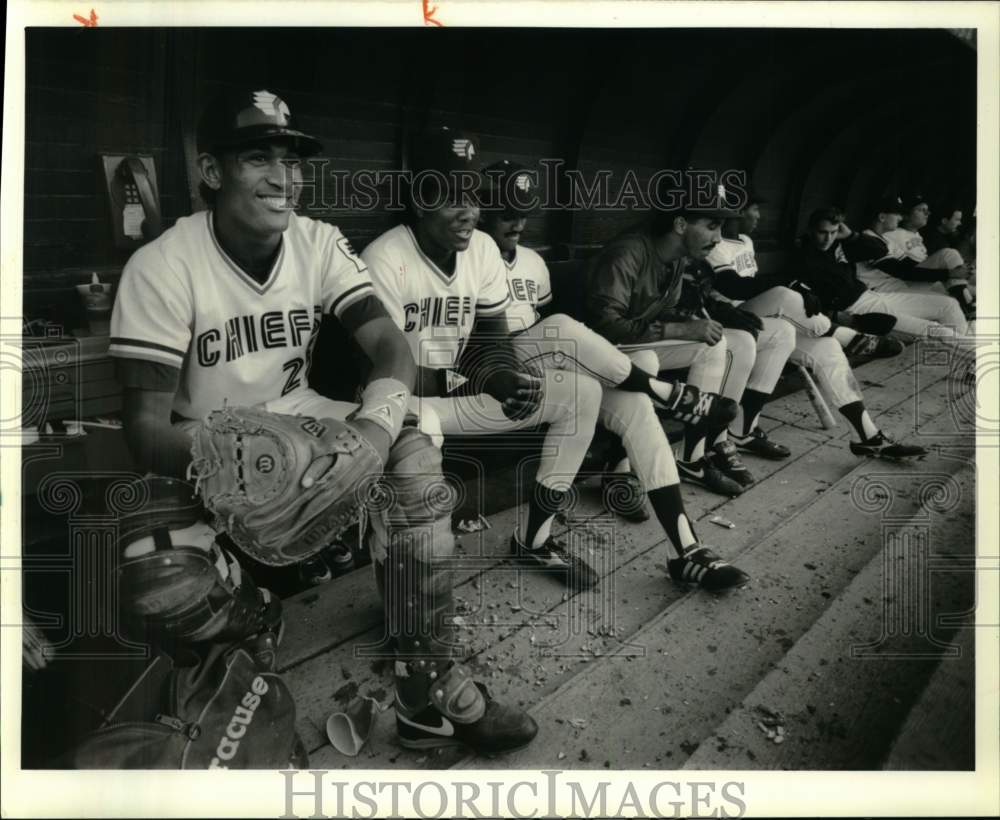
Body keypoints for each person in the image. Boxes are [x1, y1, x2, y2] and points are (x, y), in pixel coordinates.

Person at [110, 89, 537, 756]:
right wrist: (262, 457)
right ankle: (256, 616)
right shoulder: (161, 267)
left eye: (294, 160)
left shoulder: (316, 241)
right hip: (208, 445)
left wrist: (371, 432)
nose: (285, 179)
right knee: (156, 583)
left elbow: (393, 347)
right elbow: (144, 431)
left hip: (302, 416)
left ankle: (425, 688)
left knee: (413, 449)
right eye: (259, 158)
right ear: (213, 171)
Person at [476, 159, 750, 591]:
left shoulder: (530, 261)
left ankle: (688, 550)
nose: (517, 222)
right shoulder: (469, 256)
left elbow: (550, 326)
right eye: (504, 212)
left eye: (524, 211)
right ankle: (673, 397)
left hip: (554, 365)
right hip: (499, 368)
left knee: (635, 406)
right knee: (565, 327)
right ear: (479, 211)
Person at [585, 183, 795, 494]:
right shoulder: (628, 252)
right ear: (681, 224)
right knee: (652, 358)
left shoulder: (678, 257)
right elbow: (605, 324)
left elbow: (666, 312)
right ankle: (616, 468)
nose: (718, 237)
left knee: (729, 341)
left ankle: (693, 457)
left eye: (720, 227)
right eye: (711, 226)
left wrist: (697, 321)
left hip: (633, 341)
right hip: (596, 349)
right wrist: (680, 330)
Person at [705, 199, 926, 459]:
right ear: (737, 212)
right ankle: (849, 335)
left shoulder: (745, 240)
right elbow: (733, 288)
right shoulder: (714, 244)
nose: (759, 216)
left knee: (827, 348)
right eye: (754, 209)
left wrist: (793, 285)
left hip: (763, 323)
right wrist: (791, 282)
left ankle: (867, 436)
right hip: (728, 320)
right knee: (786, 295)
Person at [855, 196, 973, 329]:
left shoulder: (887, 241)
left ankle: (964, 318)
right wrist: (949, 274)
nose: (900, 218)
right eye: (897, 214)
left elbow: (909, 265)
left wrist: (950, 273)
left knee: (949, 301)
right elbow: (902, 272)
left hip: (900, 286)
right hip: (885, 292)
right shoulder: (867, 240)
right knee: (949, 305)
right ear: (882, 217)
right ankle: (965, 334)